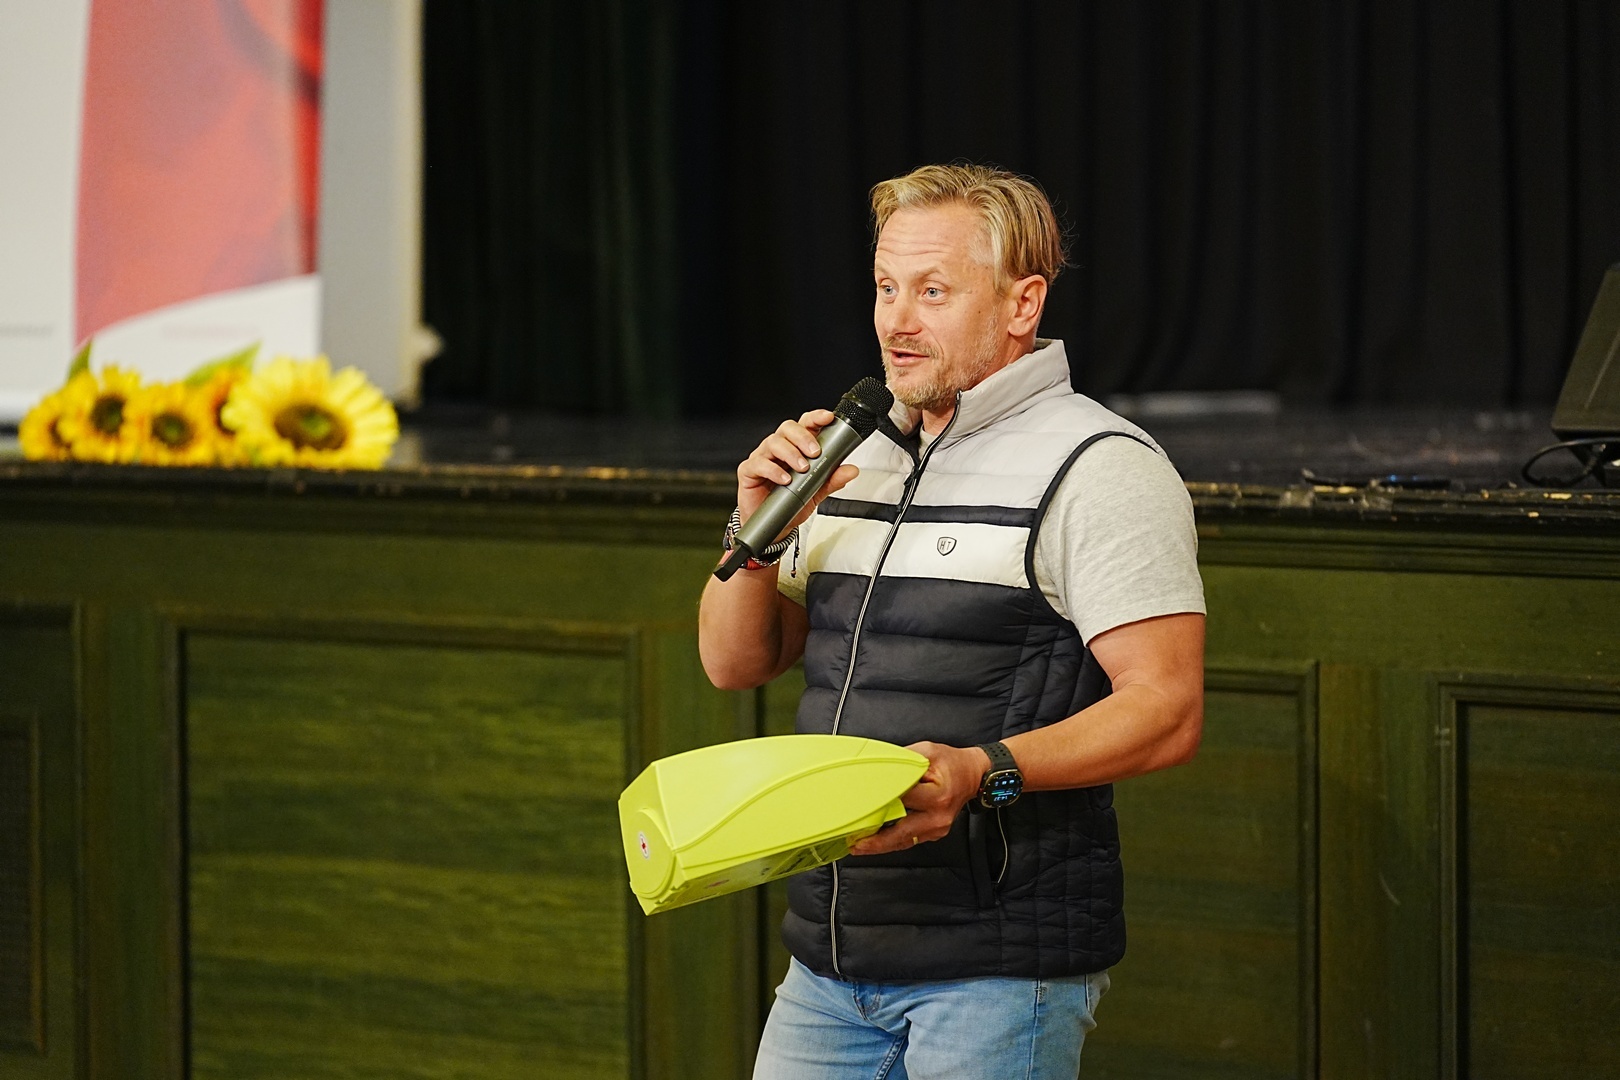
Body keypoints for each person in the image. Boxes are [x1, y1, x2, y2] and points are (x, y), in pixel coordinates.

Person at [698, 163, 1206, 1080]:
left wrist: (981, 771)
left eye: (933, 291)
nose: (897, 321)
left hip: (995, 970)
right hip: (829, 958)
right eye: (886, 287)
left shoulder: (1099, 465)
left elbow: (1167, 709)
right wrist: (753, 526)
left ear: (1023, 304)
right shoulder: (850, 456)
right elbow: (736, 663)